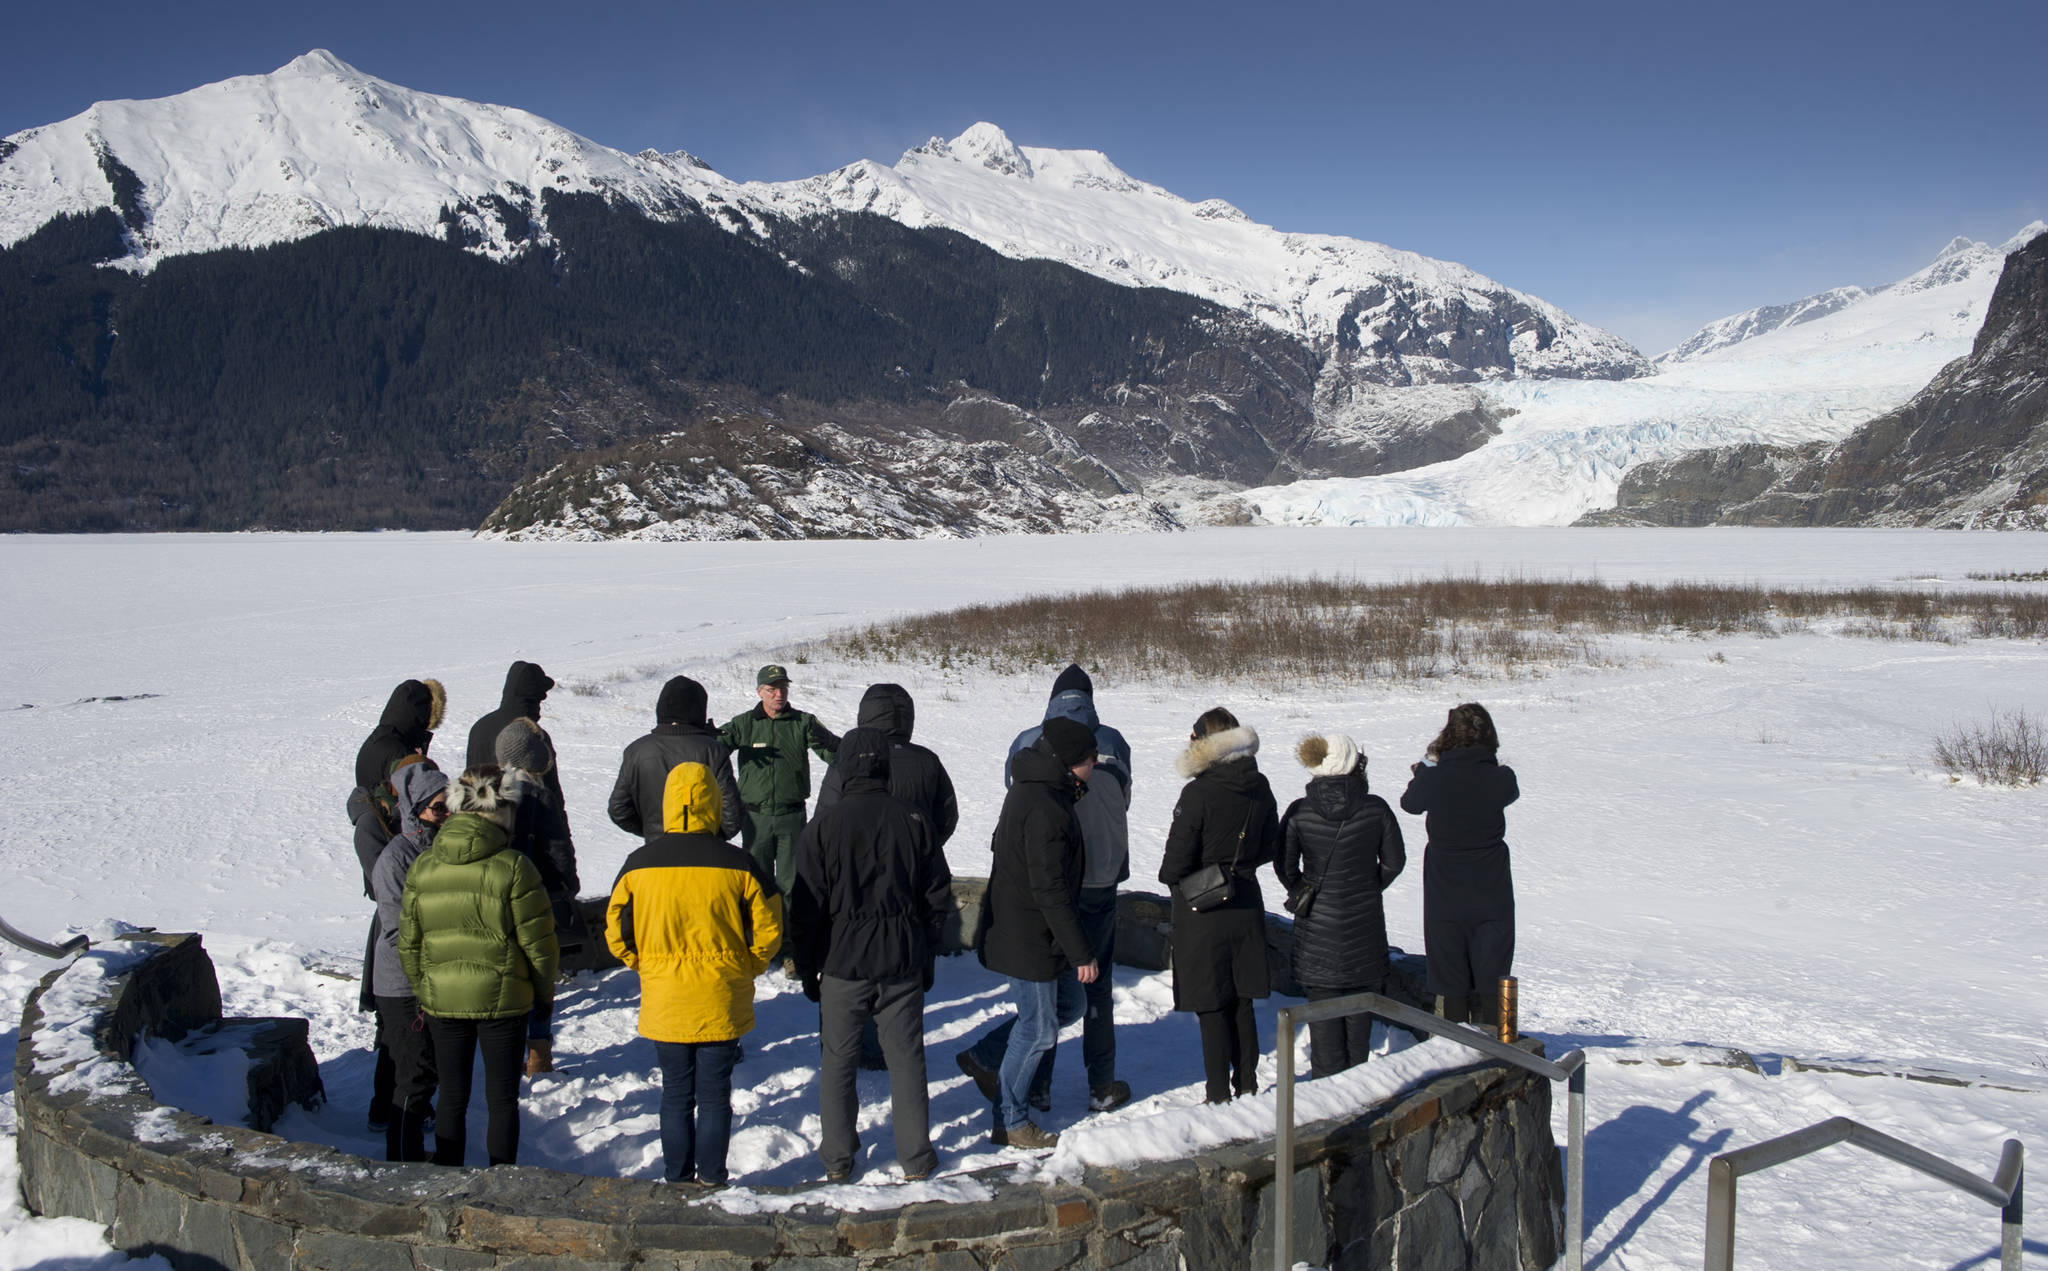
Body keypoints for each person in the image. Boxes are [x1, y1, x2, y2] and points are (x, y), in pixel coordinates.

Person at [605, 761, 783, 1189]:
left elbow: (615, 931)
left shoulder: (639, 863)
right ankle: (712, 1178)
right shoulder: (739, 863)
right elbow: (771, 927)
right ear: (714, 802)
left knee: (675, 1094)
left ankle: (677, 1177)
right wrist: (749, 966)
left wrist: (645, 964)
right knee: (715, 1094)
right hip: (721, 994)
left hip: (666, 997)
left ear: (668, 802)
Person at [789, 728, 951, 1182]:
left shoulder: (823, 827)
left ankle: (838, 1160)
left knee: (838, 1063)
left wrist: (807, 967)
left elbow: (805, 909)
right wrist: (926, 954)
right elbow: (937, 900)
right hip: (900, 959)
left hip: (842, 963)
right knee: (906, 1061)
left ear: (843, 768)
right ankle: (916, 1157)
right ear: (883, 766)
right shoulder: (915, 821)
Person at [984, 663, 1133, 1114]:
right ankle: (1101, 1084)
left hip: (1049, 883)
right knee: (1096, 989)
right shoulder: (1114, 741)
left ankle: (1038, 1088)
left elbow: (1017, 800)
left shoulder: (1026, 742)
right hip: (1100, 880)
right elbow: (1124, 799)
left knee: (1049, 986)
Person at [398, 767, 559, 1168]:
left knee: (452, 1094)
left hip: (442, 1001)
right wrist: (542, 996)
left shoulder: (423, 867)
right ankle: (502, 1178)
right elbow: (539, 945)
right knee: (502, 1098)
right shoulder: (514, 867)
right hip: (505, 1002)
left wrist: (426, 988)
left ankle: (448, 1172)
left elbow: (409, 943)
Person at [957, 716, 1100, 1150]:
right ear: (1073, 763)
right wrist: (1080, 953)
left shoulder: (1042, 790)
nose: (1096, 767)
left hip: (1033, 933)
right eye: (1093, 760)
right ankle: (1010, 1119)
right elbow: (1049, 889)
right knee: (1038, 1030)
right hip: (1029, 937)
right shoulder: (1044, 806)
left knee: (1068, 1006)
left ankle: (985, 1056)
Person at [1158, 707, 1280, 1104]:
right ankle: (1247, 1085)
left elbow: (1175, 864)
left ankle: (1217, 1095)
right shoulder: (1259, 786)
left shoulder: (1198, 793)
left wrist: (1192, 876)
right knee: (1241, 999)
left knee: (1211, 1004)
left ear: (1204, 743)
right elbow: (1269, 845)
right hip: (1245, 898)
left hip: (1202, 907)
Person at [1276, 732, 1406, 1078]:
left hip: (1317, 930)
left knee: (1324, 1030)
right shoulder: (1375, 808)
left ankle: (1326, 1105)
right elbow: (1394, 862)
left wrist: (1306, 889)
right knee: (1358, 1028)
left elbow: (1284, 865)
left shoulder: (1299, 811)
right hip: (1364, 931)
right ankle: (1356, 1101)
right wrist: (1367, 888)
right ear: (1354, 763)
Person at [346, 676, 444, 1132]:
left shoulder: (379, 744)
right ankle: (398, 1113)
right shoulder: (396, 758)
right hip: (398, 906)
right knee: (403, 1025)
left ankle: (385, 1109)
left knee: (395, 1028)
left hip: (391, 897)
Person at [1400, 702, 1519, 1027]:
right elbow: (1509, 787)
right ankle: (1507, 1051)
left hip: (1445, 892)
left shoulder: (1436, 779)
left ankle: (1454, 1052)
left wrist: (1427, 767)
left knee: (1451, 980)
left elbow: (1410, 803)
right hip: (1491, 891)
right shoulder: (1501, 779)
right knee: (1497, 977)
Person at [367, 763, 450, 1161]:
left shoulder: (442, 849)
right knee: (414, 1077)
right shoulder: (396, 859)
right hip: (402, 985)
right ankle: (403, 1163)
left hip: (435, 979)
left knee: (430, 1072)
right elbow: (398, 929)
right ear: (416, 809)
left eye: (450, 805)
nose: (447, 813)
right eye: (439, 808)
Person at [496, 717, 584, 1073]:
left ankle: (507, 1050)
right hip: (537, 898)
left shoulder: (490, 795)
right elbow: (558, 849)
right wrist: (568, 888)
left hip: (498, 900)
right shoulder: (541, 797)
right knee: (539, 977)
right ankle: (538, 1055)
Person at [719, 664, 841, 899]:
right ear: (759, 692)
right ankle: (759, 934)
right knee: (756, 884)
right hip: (756, 819)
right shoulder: (743, 724)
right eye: (772, 689)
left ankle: (789, 936)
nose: (779, 694)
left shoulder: (803, 722)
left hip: (792, 818)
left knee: (793, 885)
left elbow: (836, 756)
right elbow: (711, 750)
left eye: (783, 687)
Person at [815, 682, 958, 846]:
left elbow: (824, 818)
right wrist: (925, 849)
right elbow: (947, 817)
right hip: (914, 862)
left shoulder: (849, 759)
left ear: (866, 715)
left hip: (860, 863)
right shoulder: (928, 760)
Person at [609, 675, 742, 841]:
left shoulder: (636, 750)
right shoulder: (712, 750)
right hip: (705, 855)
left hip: (656, 852)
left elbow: (619, 809)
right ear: (699, 709)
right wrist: (711, 839)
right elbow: (732, 817)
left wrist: (653, 832)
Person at [466, 661, 566, 810]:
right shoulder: (534, 735)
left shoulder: (480, 727)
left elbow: (469, 779)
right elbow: (551, 794)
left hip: (480, 818)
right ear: (537, 698)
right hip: (524, 823)